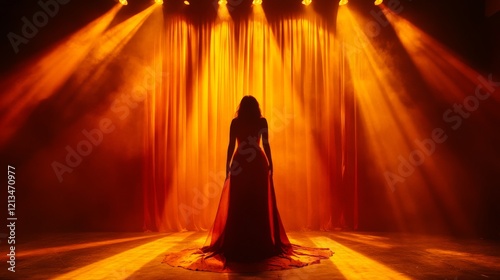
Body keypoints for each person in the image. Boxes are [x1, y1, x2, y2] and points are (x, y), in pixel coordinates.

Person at [164, 96, 332, 272]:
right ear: (256, 108)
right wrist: (270, 163)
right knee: (257, 204)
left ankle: (238, 243)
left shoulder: (236, 122)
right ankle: (260, 243)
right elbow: (266, 145)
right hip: (257, 163)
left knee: (239, 204)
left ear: (241, 108)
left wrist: (227, 166)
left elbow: (231, 146)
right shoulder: (262, 121)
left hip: (239, 164)